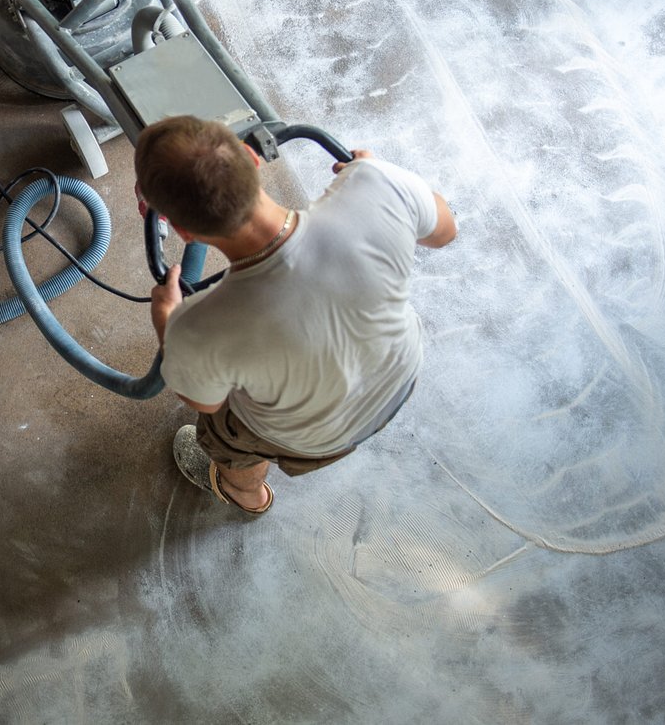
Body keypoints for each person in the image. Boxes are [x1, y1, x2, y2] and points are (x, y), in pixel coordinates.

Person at [135, 116, 457, 515]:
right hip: (400, 375)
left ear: (182, 231)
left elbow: (205, 402)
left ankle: (246, 494)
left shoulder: (198, 330)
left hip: (314, 439)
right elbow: (444, 231)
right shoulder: (379, 186)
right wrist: (377, 178)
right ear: (254, 159)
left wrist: (168, 320)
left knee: (224, 435)